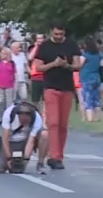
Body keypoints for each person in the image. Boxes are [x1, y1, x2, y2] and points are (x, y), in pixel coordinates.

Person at [32, 21, 82, 169]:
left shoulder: (71, 45)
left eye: (61, 34)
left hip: (67, 88)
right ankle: (53, 156)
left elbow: (78, 64)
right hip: (50, 87)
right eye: (56, 34)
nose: (59, 36)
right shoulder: (45, 46)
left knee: (63, 124)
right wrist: (54, 64)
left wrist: (67, 65)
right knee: (53, 122)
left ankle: (59, 155)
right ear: (51, 33)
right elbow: (38, 67)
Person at [0, 101, 49, 175]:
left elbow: (31, 141)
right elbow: (5, 138)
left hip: (25, 141)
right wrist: (9, 158)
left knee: (45, 134)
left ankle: (40, 163)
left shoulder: (36, 117)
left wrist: (25, 160)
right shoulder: (9, 113)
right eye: (22, 119)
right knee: (1, 168)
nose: (24, 121)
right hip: (11, 141)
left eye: (26, 119)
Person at [79, 36, 103, 122]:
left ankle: (90, 117)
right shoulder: (99, 55)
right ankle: (98, 117)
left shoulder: (85, 55)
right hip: (97, 78)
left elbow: (79, 65)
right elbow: (102, 65)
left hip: (87, 78)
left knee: (88, 98)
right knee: (96, 98)